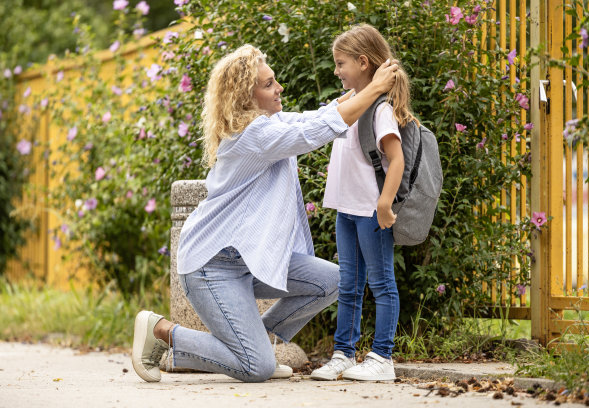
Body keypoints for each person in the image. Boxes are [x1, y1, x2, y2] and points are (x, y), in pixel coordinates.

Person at [131, 44, 399, 383]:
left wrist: (364, 88)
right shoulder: (253, 135)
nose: (279, 88)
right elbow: (314, 132)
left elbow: (318, 116)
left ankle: (253, 343)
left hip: (250, 259)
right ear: (246, 96)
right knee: (255, 368)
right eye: (269, 83)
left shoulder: (269, 122)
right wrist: (375, 88)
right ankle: (162, 331)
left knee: (336, 281)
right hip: (212, 266)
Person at [311, 24, 420, 382]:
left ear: (362, 62)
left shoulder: (380, 111)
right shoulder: (347, 105)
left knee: (381, 283)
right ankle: (343, 353)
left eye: (341, 63)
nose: (337, 71)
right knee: (349, 284)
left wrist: (385, 204)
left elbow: (397, 159)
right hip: (347, 210)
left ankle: (382, 358)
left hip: (370, 212)